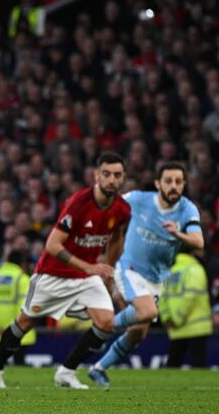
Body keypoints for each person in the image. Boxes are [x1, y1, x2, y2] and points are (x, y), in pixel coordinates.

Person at [0, 152, 131, 389]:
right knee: (25, 322)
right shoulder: (79, 203)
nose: (112, 179)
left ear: (123, 178)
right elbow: (52, 245)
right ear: (96, 176)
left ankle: (66, 372)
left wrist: (108, 271)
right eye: (106, 174)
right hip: (52, 274)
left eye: (117, 175)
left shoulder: (122, 209)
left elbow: (116, 237)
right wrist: (90, 266)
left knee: (106, 322)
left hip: (86, 276)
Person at [88, 162, 204, 386]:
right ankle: (102, 330)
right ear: (158, 183)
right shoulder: (139, 200)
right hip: (130, 268)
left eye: (178, 182)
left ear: (184, 185)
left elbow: (198, 241)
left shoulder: (187, 209)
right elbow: (110, 204)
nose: (173, 186)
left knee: (139, 332)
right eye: (169, 181)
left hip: (156, 278)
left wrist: (178, 233)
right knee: (147, 310)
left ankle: (99, 367)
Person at [0, 250, 36, 365]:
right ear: (23, 264)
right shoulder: (23, 279)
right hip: (19, 332)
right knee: (20, 365)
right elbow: (25, 308)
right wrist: (13, 329)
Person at [160, 248, 212, 368]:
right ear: (193, 252)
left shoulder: (171, 271)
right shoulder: (196, 269)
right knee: (198, 366)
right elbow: (190, 296)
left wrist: (167, 318)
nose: (203, 253)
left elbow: (162, 298)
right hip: (197, 327)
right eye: (200, 250)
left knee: (172, 366)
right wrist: (178, 319)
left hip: (175, 328)